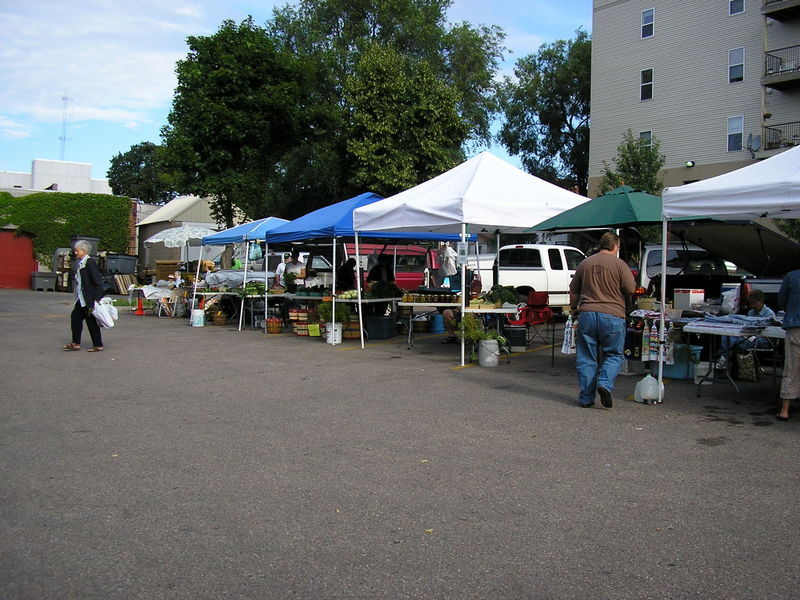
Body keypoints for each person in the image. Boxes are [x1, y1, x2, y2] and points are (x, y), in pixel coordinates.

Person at [569, 231, 636, 408]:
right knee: (614, 354)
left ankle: (586, 398)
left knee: (586, 357)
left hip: (587, 314)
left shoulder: (585, 263)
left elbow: (574, 290)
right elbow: (630, 288)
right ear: (615, 246)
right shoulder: (620, 264)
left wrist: (573, 308)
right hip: (613, 315)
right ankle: (604, 383)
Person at [63, 239, 105, 352]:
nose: (75, 252)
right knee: (75, 318)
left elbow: (97, 281)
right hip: (81, 299)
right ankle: (75, 342)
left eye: (77, 250)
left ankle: (98, 344)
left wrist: (96, 298)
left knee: (91, 321)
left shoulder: (89, 262)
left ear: (83, 250)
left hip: (88, 298)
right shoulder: (81, 263)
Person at [777, 267, 800, 421]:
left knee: (791, 368)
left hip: (795, 326)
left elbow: (781, 301)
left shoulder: (792, 276)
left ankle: (785, 410)